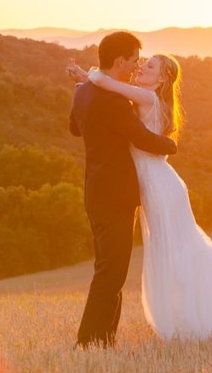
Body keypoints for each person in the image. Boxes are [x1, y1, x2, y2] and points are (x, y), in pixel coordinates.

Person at [70, 51, 212, 341]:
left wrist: (88, 76)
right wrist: (83, 81)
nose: (141, 67)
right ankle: (191, 318)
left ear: (162, 78)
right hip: (159, 185)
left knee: (186, 255)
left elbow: (105, 81)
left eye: (149, 66)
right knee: (185, 254)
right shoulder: (147, 99)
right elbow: (108, 96)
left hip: (160, 188)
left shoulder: (147, 98)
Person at [69, 32, 178, 349]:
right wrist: (173, 144)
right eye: (133, 60)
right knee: (111, 273)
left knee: (108, 269)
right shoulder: (116, 102)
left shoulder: (85, 92)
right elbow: (142, 138)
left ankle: (104, 340)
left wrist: (82, 81)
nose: (136, 66)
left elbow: (74, 128)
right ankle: (88, 341)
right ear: (119, 61)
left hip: (94, 191)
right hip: (115, 195)